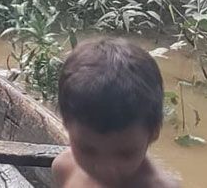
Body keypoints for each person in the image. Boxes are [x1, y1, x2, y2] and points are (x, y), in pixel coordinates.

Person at [52, 38, 180, 188]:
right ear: (66, 124)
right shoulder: (64, 167)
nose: (106, 170)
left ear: (153, 133)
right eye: (87, 150)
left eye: (125, 154)